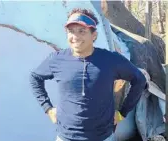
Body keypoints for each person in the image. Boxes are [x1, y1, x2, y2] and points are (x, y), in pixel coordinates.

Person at [30, 8, 146, 141]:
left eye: (81, 31)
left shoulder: (111, 60)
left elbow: (139, 80)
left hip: (102, 137)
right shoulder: (56, 59)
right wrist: (48, 108)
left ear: (94, 35)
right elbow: (35, 77)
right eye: (71, 31)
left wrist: (122, 113)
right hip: (66, 137)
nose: (75, 37)